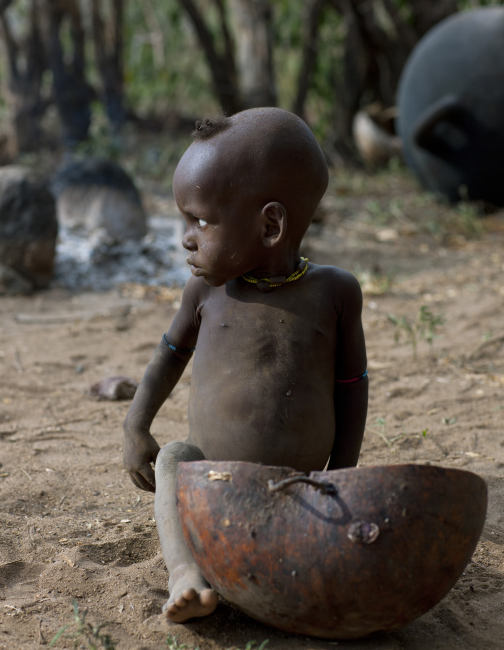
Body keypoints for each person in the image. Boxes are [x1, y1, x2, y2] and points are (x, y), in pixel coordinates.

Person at [123, 107, 368, 623]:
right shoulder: (205, 293)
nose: (186, 238)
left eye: (201, 221)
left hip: (300, 489)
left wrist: (340, 478)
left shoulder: (335, 293)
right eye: (183, 220)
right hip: (210, 490)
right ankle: (184, 574)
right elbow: (169, 355)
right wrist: (136, 423)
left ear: (271, 224)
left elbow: (351, 386)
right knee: (172, 457)